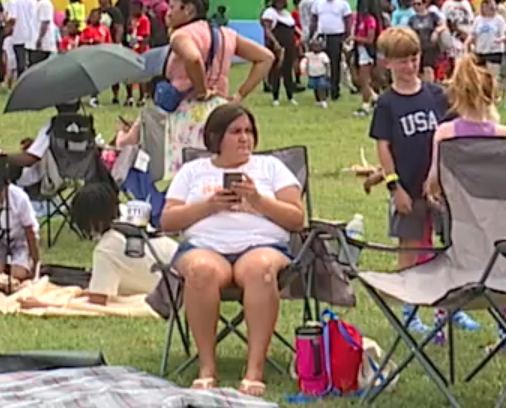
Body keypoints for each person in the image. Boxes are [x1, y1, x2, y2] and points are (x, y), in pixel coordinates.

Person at [161, 103, 305, 397]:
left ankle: (255, 370)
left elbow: (297, 218)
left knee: (260, 269)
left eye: (249, 131)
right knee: (200, 271)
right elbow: (167, 220)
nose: (245, 138)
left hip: (262, 246)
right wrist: (210, 206)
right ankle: (206, 368)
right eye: (236, 132)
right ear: (215, 137)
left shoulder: (270, 167)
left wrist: (258, 201)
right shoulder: (193, 171)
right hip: (205, 247)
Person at [368, 27, 449, 277]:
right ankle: (407, 310)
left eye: (414, 59)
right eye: (403, 61)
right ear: (388, 62)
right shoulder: (386, 103)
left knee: (447, 246)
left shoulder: (436, 95)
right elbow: (383, 147)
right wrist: (395, 187)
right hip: (407, 188)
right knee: (409, 247)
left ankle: (445, 309)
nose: (410, 66)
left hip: (439, 187)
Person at [159, 0, 273, 111]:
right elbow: (266, 57)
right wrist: (239, 95)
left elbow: (193, 58)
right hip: (220, 110)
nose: (168, 13)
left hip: (186, 110)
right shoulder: (226, 34)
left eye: (172, 7)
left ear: (188, 10)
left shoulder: (181, 35)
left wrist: (202, 92)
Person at [68, 180, 178, 304]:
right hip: (180, 262)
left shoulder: (105, 250)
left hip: (169, 290)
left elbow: (98, 299)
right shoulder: (130, 214)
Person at [424, 55, 506, 207]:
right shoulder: (503, 135)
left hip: (457, 212)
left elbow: (434, 180)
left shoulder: (445, 133)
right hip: (492, 211)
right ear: (491, 95)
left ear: (456, 95)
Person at [309, 0, 351, 101]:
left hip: (336, 36)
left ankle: (334, 90)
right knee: (320, 64)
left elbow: (348, 20)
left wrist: (347, 35)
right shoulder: (318, 3)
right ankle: (323, 89)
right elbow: (314, 19)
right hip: (322, 35)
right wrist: (311, 35)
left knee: (334, 64)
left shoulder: (342, 3)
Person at [259, 0, 301, 106]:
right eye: (278, 1)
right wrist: (275, 43)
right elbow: (267, 29)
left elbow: (293, 28)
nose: (281, 4)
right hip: (278, 45)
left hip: (289, 44)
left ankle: (290, 96)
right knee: (276, 70)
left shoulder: (286, 14)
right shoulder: (270, 13)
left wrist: (300, 37)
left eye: (283, 1)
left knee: (288, 70)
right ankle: (275, 97)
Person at [300, 43, 331, 107]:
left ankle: (323, 100)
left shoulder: (323, 55)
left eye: (317, 46)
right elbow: (301, 55)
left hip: (321, 74)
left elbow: (327, 64)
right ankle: (318, 100)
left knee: (321, 87)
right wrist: (300, 46)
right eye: (314, 46)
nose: (315, 48)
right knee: (315, 88)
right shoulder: (309, 55)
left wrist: (328, 73)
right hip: (312, 75)